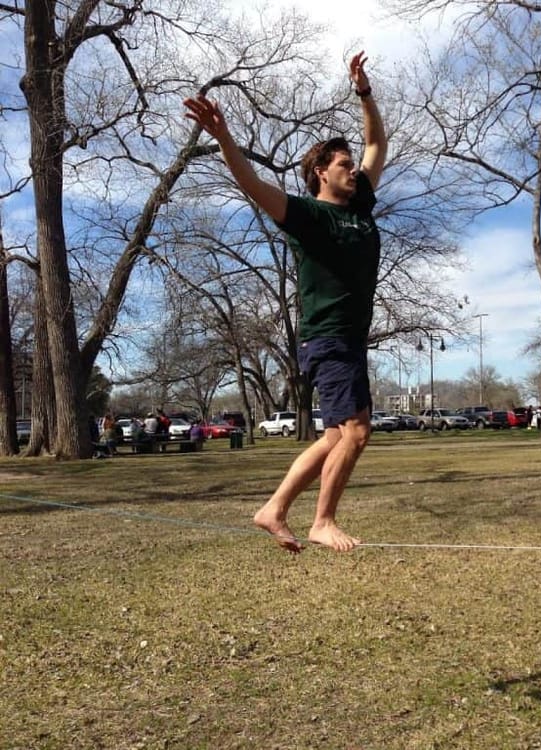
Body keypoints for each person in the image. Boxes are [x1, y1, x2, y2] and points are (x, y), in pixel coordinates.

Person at [183, 51, 386, 554]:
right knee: (357, 432)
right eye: (343, 166)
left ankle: (272, 509)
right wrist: (224, 137)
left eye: (352, 166)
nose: (354, 171)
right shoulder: (305, 216)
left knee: (337, 437)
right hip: (329, 336)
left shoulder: (360, 205)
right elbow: (250, 184)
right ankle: (323, 521)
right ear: (319, 172)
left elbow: (376, 142)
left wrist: (363, 92)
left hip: (348, 341)